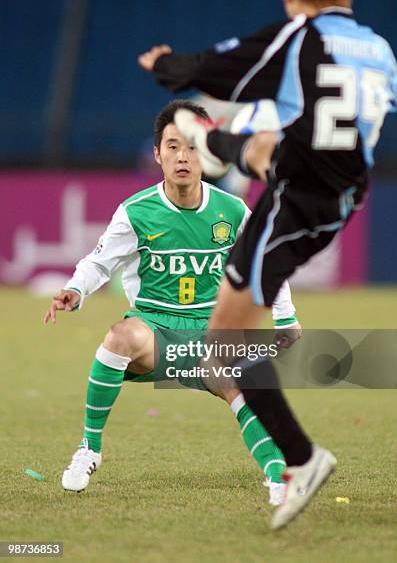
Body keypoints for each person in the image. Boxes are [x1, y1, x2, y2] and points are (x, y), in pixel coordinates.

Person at [138, 0, 397, 529]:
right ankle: (224, 147)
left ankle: (302, 460)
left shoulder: (300, 37)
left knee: (222, 345)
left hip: (297, 201)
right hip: (343, 193)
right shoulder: (379, 49)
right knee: (264, 143)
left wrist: (165, 65)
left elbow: (208, 68)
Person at [43, 100, 301, 505]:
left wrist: (286, 316)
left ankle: (277, 475)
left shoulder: (231, 210)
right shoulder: (136, 212)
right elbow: (99, 262)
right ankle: (88, 450)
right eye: (173, 146)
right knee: (118, 338)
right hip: (156, 330)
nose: (183, 156)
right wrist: (75, 291)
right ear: (158, 154)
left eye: (193, 146)